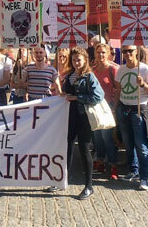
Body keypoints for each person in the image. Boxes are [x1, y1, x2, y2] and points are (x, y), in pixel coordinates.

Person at [60, 47, 104, 200]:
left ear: (85, 60)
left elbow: (98, 96)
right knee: (68, 147)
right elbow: (67, 93)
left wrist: (77, 98)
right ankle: (63, 180)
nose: (76, 62)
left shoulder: (89, 76)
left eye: (79, 59)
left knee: (85, 150)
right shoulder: (70, 75)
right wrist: (64, 94)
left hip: (83, 117)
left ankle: (89, 186)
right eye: (74, 60)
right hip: (69, 116)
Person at [114, 44, 148, 190]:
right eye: (124, 51)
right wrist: (115, 110)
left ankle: (144, 177)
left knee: (142, 144)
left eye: (130, 51)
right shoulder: (121, 69)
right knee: (128, 142)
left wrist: (143, 84)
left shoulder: (145, 69)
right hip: (123, 108)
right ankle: (133, 170)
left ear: (136, 51)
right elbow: (118, 91)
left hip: (139, 109)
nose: (127, 54)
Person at [91, 43, 118, 180]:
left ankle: (113, 164)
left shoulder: (112, 69)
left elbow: (117, 89)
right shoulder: (93, 70)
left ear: (107, 53)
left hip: (108, 107)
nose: (100, 55)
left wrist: (114, 108)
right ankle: (100, 161)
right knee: (97, 138)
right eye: (98, 52)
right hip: (95, 108)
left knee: (107, 137)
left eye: (103, 52)